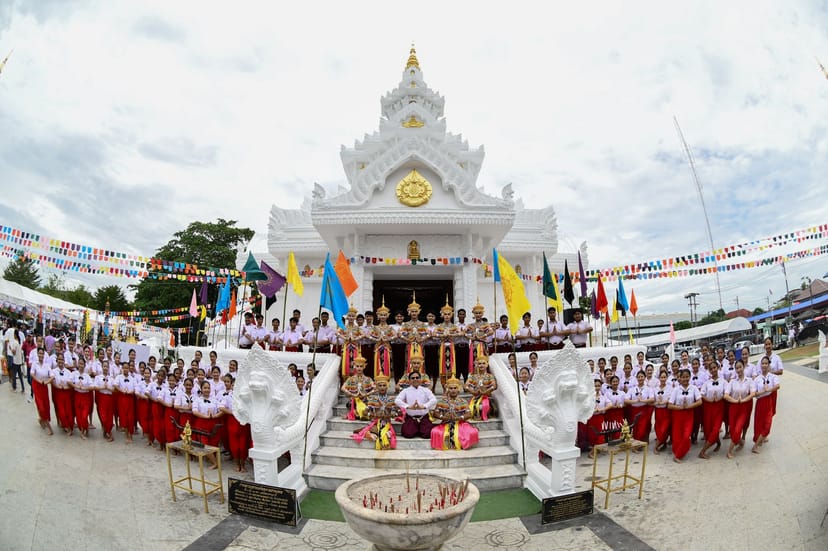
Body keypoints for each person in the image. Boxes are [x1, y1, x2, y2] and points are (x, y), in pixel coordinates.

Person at [431, 377, 479, 450]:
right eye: (451, 388)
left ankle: (459, 443)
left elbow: (469, 414)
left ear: (458, 389)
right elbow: (435, 413)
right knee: (435, 431)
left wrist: (459, 418)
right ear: (447, 389)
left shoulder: (463, 401)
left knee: (472, 432)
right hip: (445, 423)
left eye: (455, 388)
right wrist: (442, 417)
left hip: (460, 423)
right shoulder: (442, 401)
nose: (453, 390)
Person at [353, 374, 399, 450]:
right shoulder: (373, 399)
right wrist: (373, 415)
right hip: (376, 423)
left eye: (384, 385)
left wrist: (391, 415)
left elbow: (398, 413)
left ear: (387, 386)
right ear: (377, 387)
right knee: (376, 433)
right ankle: (368, 433)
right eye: (380, 385)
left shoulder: (391, 399)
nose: (382, 387)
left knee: (387, 434)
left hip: (386, 424)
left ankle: (368, 433)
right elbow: (365, 412)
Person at [667, 369, 702, 463]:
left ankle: (678, 455)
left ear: (690, 377)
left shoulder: (694, 388)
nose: (685, 379)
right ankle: (678, 453)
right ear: (680, 378)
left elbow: (699, 401)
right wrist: (680, 407)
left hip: (689, 414)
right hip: (678, 414)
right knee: (677, 436)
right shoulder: (676, 390)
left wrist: (689, 406)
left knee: (687, 436)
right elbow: (669, 405)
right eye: (683, 377)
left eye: (687, 377)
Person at [725, 360, 755, 459]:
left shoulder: (749, 380)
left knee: (738, 429)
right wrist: (735, 401)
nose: (739, 370)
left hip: (744, 407)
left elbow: (752, 393)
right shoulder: (732, 382)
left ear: (743, 367)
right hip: (733, 407)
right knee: (732, 430)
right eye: (737, 368)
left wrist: (743, 400)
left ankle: (729, 451)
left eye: (740, 367)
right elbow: (726, 395)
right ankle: (740, 442)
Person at [219, 374, 249, 472]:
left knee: (243, 445)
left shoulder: (245, 397)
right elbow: (221, 407)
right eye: (233, 385)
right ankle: (237, 464)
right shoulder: (228, 396)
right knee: (234, 445)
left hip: (243, 422)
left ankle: (243, 464)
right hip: (232, 422)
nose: (235, 387)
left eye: (237, 385)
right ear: (231, 386)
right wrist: (233, 412)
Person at [395, 370, 436, 438]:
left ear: (420, 379)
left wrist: (424, 406)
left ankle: (419, 429)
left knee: (427, 434)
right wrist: (408, 406)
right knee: (408, 434)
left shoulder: (426, 390)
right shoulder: (405, 391)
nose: (415, 379)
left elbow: (434, 400)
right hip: (411, 418)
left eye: (417, 377)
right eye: (413, 378)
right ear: (409, 381)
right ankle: (416, 429)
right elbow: (397, 400)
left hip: (423, 417)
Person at [752, 356, 780, 454]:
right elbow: (754, 394)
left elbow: (778, 386)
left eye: (766, 363)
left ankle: (755, 446)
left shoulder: (772, 376)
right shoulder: (757, 379)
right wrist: (762, 391)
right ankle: (757, 443)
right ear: (760, 365)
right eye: (762, 363)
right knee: (759, 424)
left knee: (767, 425)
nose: (764, 365)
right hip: (760, 403)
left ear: (768, 365)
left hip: (769, 402)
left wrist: (769, 390)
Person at [698, 363, 725, 459]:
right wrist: (709, 400)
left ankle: (702, 451)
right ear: (709, 370)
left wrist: (719, 398)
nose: (713, 370)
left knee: (716, 428)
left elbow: (726, 393)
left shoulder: (723, 382)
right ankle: (718, 443)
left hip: (719, 406)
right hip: (708, 407)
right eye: (711, 368)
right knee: (709, 428)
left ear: (718, 368)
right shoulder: (706, 383)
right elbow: (702, 394)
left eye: (714, 367)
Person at [432, 299, 459, 393]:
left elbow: (461, 333)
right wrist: (442, 335)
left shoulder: (454, 326)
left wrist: (451, 335)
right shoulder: (439, 326)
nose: (447, 316)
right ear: (442, 315)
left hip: (451, 347)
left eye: (448, 314)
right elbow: (434, 334)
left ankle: (451, 387)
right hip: (443, 347)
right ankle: (444, 388)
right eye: (445, 314)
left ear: (451, 315)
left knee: (451, 365)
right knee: (443, 366)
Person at [192, 380, 220, 469]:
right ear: (201, 389)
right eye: (205, 388)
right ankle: (215, 463)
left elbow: (221, 410)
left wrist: (214, 415)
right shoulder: (197, 400)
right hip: (201, 423)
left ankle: (211, 458)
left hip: (213, 422)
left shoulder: (214, 400)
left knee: (214, 442)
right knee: (204, 443)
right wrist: (206, 416)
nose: (207, 390)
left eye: (208, 388)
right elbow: (195, 412)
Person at [341, 355, 374, 420]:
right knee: (350, 404)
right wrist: (352, 394)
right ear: (355, 366)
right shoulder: (350, 379)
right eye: (357, 366)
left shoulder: (368, 379)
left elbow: (375, 388)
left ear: (364, 367)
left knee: (371, 404)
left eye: (361, 366)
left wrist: (367, 394)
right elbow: (343, 388)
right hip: (355, 401)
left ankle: (358, 414)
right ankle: (360, 414)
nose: (359, 368)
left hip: (365, 400)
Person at [368, 300, 395, 379]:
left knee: (386, 363)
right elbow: (368, 335)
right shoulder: (375, 328)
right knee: (378, 363)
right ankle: (378, 379)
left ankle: (386, 379)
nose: (383, 317)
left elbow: (396, 335)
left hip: (387, 347)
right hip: (377, 348)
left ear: (387, 316)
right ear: (378, 316)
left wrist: (388, 339)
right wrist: (377, 339)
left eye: (384, 315)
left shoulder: (390, 327)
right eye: (381, 315)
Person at [30, 348, 54, 435]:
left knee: (46, 405)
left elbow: (52, 376)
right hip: (37, 386)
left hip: (44, 386)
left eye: (42, 354)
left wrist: (46, 382)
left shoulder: (46, 365)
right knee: (41, 406)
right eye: (39, 353)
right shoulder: (35, 364)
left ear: (44, 355)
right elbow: (32, 374)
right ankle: (49, 427)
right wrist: (39, 381)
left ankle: (41, 419)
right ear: (37, 354)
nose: (41, 355)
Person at [465, 355, 497, 421]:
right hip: (475, 397)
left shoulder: (490, 376)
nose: (481, 365)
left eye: (483, 363)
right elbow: (465, 386)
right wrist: (472, 391)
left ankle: (481, 415)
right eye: (479, 364)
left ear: (487, 365)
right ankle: (477, 415)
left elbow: (494, 386)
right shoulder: (473, 376)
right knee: (471, 407)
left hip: (486, 397)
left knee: (484, 406)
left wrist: (485, 392)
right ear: (477, 365)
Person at [625, 370, 654, 443]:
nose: (640, 378)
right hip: (634, 410)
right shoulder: (632, 389)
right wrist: (635, 401)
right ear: (637, 378)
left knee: (642, 429)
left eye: (642, 376)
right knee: (635, 428)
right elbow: (626, 400)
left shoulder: (648, 388)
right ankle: (637, 444)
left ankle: (639, 442)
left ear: (645, 377)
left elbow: (652, 399)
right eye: (639, 377)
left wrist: (643, 401)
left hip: (643, 410)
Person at [586, 379, 610, 458]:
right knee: (592, 435)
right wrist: (593, 410)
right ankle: (594, 450)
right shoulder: (589, 397)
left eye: (598, 386)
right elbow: (585, 407)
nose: (597, 387)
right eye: (595, 386)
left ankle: (592, 452)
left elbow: (610, 404)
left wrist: (602, 409)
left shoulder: (603, 396)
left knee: (600, 435)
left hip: (600, 418)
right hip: (591, 418)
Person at [94, 361, 117, 441]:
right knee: (103, 416)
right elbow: (95, 387)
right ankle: (106, 429)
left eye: (107, 366)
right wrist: (102, 387)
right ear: (102, 367)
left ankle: (108, 432)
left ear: (108, 368)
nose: (105, 368)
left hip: (110, 398)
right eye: (104, 366)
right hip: (102, 398)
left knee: (109, 416)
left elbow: (114, 389)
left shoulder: (111, 378)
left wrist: (108, 388)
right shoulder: (98, 377)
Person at [115, 362, 136, 443]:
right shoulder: (119, 377)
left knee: (130, 417)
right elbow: (115, 385)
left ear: (129, 369)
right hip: (122, 398)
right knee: (124, 417)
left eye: (127, 368)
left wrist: (131, 392)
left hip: (130, 399)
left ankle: (131, 434)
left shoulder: (132, 378)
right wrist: (121, 390)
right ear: (122, 368)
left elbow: (135, 388)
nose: (125, 369)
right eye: (124, 368)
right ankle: (127, 435)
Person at [652, 370, 672, 454]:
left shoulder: (670, 388)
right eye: (661, 377)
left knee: (664, 429)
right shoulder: (655, 389)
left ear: (667, 378)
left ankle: (656, 447)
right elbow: (652, 399)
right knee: (658, 428)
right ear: (659, 378)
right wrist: (656, 403)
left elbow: (670, 399)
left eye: (664, 377)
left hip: (666, 411)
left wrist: (663, 402)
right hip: (658, 411)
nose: (663, 379)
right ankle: (663, 443)